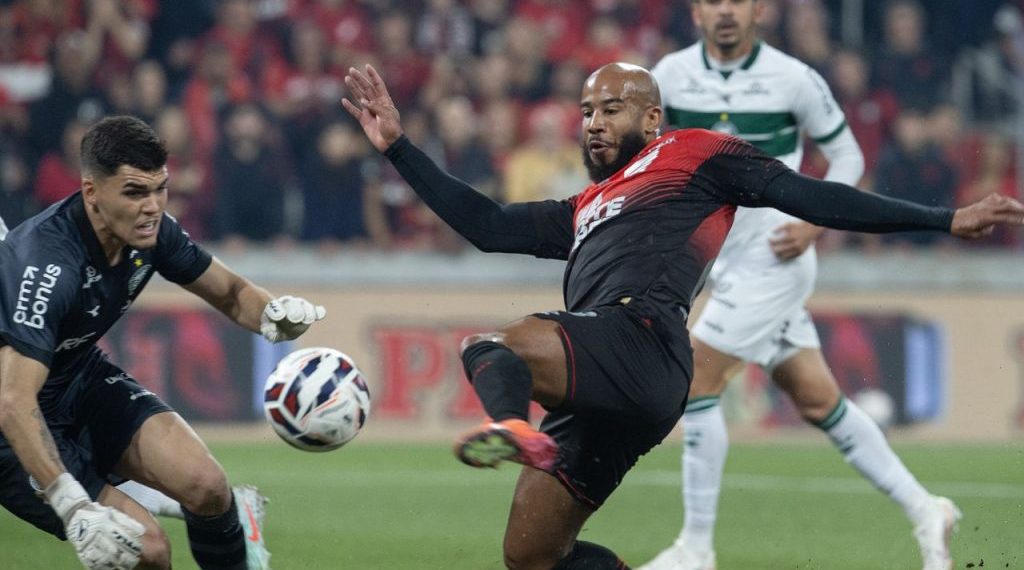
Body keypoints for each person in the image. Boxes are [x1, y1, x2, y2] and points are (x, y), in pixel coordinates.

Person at [342, 62, 1023, 570]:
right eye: (586, 111)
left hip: (642, 341)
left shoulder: (699, 154)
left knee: (496, 345)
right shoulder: (583, 208)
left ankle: (512, 423)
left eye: (611, 107)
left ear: (652, 119)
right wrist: (398, 148)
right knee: (531, 558)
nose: (594, 122)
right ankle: (521, 426)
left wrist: (944, 219)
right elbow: (485, 224)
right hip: (611, 387)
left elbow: (815, 197)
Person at [642, 2, 962, 569]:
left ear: (758, 9)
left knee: (695, 380)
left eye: (737, 0)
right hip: (721, 264)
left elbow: (847, 155)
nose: (725, 11)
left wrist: (815, 222)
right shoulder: (668, 77)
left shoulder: (792, 79)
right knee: (819, 401)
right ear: (696, 10)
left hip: (774, 259)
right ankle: (925, 508)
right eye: (713, 0)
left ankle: (695, 548)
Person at [0, 115, 326, 570]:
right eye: (135, 192)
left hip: (78, 377)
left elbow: (232, 294)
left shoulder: (154, 233)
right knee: (147, 550)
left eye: (160, 188)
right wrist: (73, 506)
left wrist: (273, 314)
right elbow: (13, 399)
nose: (153, 206)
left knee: (208, 485)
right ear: (92, 193)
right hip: (12, 423)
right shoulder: (48, 265)